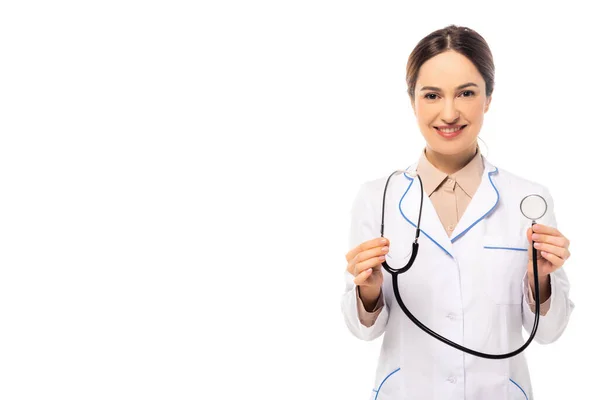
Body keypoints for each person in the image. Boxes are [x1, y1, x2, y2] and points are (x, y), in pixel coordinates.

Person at [341, 25, 574, 400]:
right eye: (432, 95)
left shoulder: (528, 199)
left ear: (488, 98)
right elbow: (364, 330)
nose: (448, 113)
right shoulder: (376, 198)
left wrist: (540, 282)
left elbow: (550, 332)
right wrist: (368, 291)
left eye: (466, 93)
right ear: (413, 100)